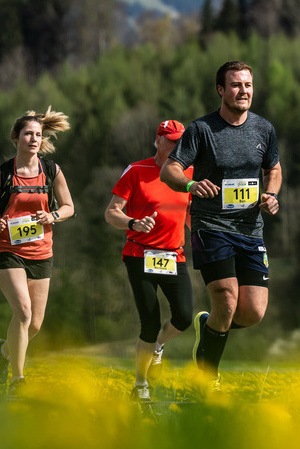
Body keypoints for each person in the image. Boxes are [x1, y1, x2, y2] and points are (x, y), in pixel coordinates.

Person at [160, 61, 281, 387]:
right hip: (211, 226)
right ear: (221, 90)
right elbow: (168, 170)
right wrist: (190, 185)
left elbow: (274, 168)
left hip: (250, 229)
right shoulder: (201, 130)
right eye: (236, 85)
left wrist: (271, 194)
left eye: (248, 85)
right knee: (226, 300)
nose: (244, 91)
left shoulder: (263, 129)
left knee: (252, 312)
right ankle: (205, 381)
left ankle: (209, 326)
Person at [0, 107, 75, 397]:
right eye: (28, 134)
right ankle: (18, 380)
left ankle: (2, 350)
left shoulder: (51, 171)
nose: (34, 139)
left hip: (42, 252)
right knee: (24, 312)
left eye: (38, 135)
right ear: (16, 137)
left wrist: (53, 216)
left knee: (35, 324)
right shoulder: (3, 172)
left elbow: (69, 207)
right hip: (7, 250)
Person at [105, 119, 194, 405]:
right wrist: (132, 222)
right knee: (149, 321)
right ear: (157, 140)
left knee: (183, 316)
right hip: (139, 254)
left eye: (180, 141)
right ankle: (140, 383)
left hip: (174, 255)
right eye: (170, 140)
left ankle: (158, 345)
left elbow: (192, 214)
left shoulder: (188, 174)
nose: (176, 145)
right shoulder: (136, 170)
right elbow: (111, 213)